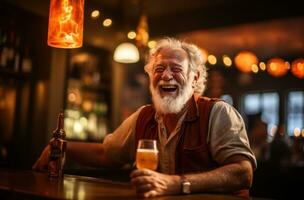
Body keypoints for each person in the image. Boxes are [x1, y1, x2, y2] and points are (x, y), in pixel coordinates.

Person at [33, 37, 256, 198]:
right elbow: (106, 154)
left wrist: (177, 184)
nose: (166, 75)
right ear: (151, 77)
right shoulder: (144, 116)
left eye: (176, 69)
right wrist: (63, 147)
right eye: (159, 69)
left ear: (195, 78)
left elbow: (242, 172)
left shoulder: (218, 113)